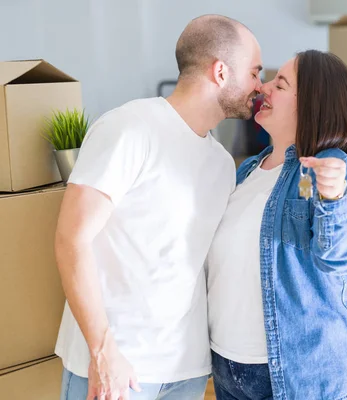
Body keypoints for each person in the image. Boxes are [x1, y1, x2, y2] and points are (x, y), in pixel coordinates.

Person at [54, 14, 262, 400]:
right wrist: (103, 351)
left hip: (186, 370)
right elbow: (71, 238)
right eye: (254, 72)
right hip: (116, 368)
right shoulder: (129, 128)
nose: (259, 86)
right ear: (220, 72)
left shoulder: (220, 164)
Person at [207, 49, 347, 400]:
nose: (263, 88)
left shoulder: (327, 172)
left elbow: (339, 258)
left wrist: (334, 199)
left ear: (312, 103)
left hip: (304, 377)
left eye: (280, 84)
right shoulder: (249, 169)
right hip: (229, 370)